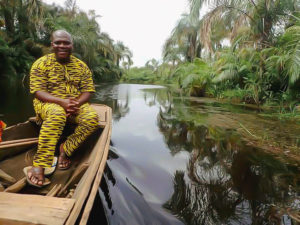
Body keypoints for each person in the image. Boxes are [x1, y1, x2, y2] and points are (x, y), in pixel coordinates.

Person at [27, 30, 99, 187]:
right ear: (52, 44)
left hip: (74, 104)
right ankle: (39, 164)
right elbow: (38, 92)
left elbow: (88, 91)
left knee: (91, 118)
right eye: (58, 42)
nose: (62, 45)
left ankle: (65, 149)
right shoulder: (41, 64)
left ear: (72, 45)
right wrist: (62, 103)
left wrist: (76, 104)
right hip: (47, 104)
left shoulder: (81, 66)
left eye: (66, 42)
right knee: (57, 113)